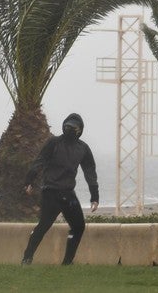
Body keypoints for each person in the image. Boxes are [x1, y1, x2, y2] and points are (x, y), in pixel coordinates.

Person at [21, 113, 99, 265]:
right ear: (64, 126)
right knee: (44, 225)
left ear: (80, 130)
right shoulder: (54, 143)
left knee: (78, 227)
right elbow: (40, 162)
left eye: (73, 128)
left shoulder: (83, 148)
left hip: (68, 195)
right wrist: (29, 181)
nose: (69, 129)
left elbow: (90, 172)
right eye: (67, 126)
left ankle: (67, 263)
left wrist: (94, 196)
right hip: (50, 192)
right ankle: (27, 258)